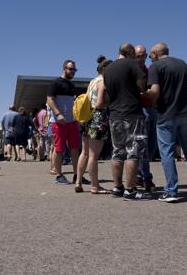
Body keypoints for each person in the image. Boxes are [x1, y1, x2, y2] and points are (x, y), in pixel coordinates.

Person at [147, 43, 187, 202]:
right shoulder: (182, 64)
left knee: (167, 152)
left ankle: (171, 191)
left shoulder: (156, 67)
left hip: (165, 114)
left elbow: (155, 92)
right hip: (184, 113)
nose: (150, 58)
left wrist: (145, 96)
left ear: (156, 53)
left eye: (150, 55)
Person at [104, 44, 151, 200]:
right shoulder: (132, 64)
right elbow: (142, 87)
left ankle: (118, 187)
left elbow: (106, 93)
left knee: (117, 151)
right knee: (134, 151)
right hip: (132, 113)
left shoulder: (108, 69)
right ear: (131, 53)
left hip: (115, 115)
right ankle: (130, 190)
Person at [75, 55, 112, 194]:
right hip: (98, 117)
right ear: (104, 69)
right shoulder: (103, 81)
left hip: (87, 117)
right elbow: (100, 102)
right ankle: (95, 186)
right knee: (93, 155)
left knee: (84, 153)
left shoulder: (92, 81)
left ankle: (78, 182)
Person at [47, 60, 81, 184]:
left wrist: (77, 118)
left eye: (74, 70)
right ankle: (59, 175)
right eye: (70, 69)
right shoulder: (55, 83)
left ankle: (77, 175)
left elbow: (73, 103)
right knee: (59, 149)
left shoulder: (71, 85)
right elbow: (50, 100)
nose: (73, 72)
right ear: (64, 68)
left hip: (72, 122)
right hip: (58, 122)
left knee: (75, 148)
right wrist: (58, 114)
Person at [134, 45, 157, 192]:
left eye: (143, 55)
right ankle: (145, 177)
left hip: (151, 108)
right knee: (142, 145)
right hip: (138, 110)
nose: (141, 58)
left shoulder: (149, 70)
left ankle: (140, 175)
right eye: (138, 55)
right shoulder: (131, 70)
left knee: (150, 145)